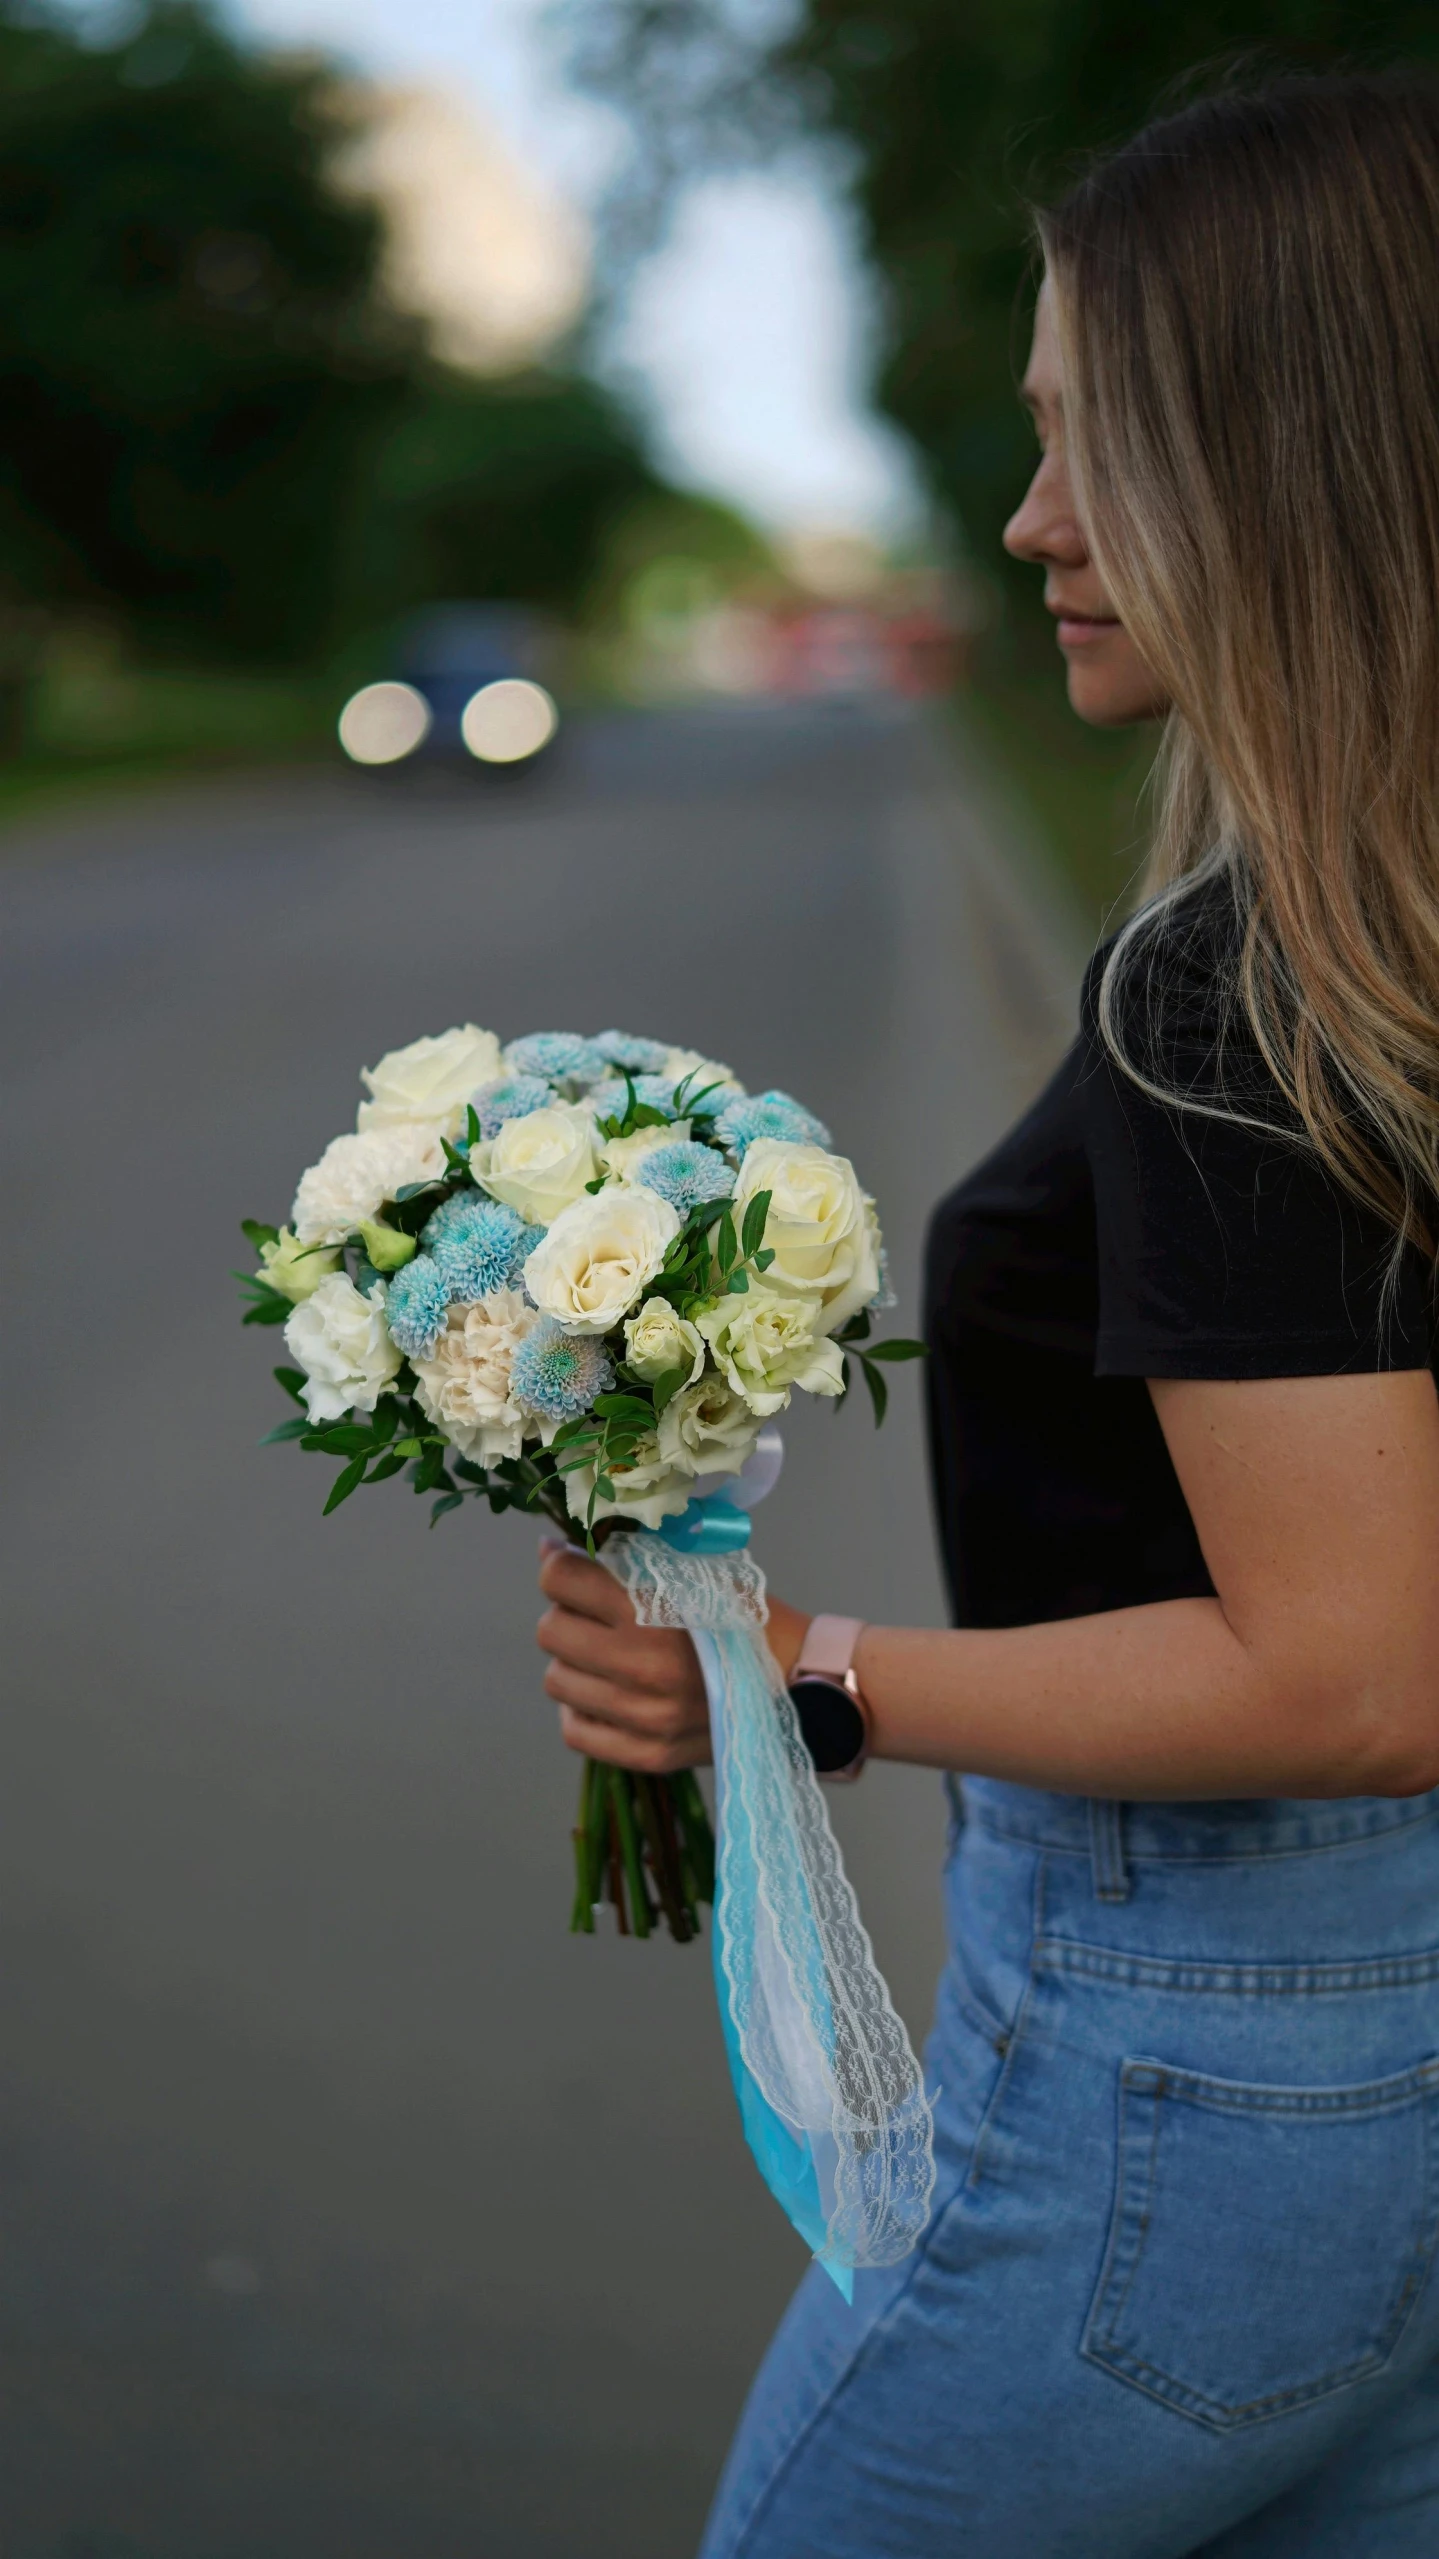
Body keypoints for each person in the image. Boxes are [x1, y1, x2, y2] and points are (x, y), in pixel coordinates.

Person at [535, 71, 1439, 2558]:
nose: (1029, 521)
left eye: (1089, 444)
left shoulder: (1242, 992)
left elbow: (1357, 1673)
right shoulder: (1375, 951)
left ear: (1278, 450)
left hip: (1205, 2082)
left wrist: (797, 1675)